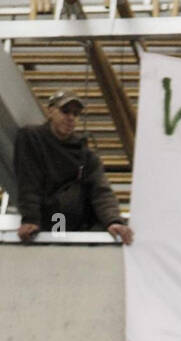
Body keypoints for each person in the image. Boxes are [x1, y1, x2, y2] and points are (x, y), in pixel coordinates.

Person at [14, 91, 134, 244]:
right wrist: (30, 219)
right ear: (50, 111)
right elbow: (29, 180)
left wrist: (113, 221)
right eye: (65, 111)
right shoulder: (31, 137)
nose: (70, 117)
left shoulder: (85, 154)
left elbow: (101, 190)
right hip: (55, 217)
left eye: (76, 114)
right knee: (59, 242)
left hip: (77, 221)